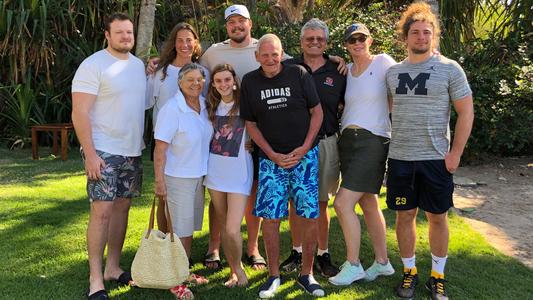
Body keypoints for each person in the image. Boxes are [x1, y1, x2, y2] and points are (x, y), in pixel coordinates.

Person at [385, 3, 474, 300]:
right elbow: (390, 108)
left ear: (434, 36)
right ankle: (409, 272)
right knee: (404, 215)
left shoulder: (450, 69)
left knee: (437, 217)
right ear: (405, 36)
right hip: (400, 159)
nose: (421, 37)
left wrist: (456, 153)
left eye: (426, 32)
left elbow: (466, 112)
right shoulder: (394, 72)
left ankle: (437, 277)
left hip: (436, 159)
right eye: (415, 32)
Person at [241, 33, 325, 298]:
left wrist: (305, 147)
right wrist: (272, 154)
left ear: (282, 53)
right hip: (271, 162)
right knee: (271, 219)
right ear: (257, 56)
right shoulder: (250, 82)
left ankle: (306, 275)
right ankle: (273, 275)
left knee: (309, 216)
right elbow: (251, 124)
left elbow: (317, 112)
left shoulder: (298, 74)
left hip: (305, 159)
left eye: (274, 54)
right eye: (264, 54)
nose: (269, 59)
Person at [71, 13, 145, 300]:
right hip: (102, 150)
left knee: (122, 208)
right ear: (107, 35)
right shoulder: (93, 65)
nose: (126, 37)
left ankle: (113, 267)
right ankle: (95, 280)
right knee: (101, 212)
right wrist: (89, 153)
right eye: (120, 33)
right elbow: (79, 112)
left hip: (132, 150)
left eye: (129, 32)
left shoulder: (138, 66)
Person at [328, 23, 396, 286]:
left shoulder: (382, 62)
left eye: (361, 38)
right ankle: (383, 263)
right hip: (348, 141)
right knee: (368, 202)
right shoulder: (346, 71)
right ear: (345, 45)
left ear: (370, 39)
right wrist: (335, 59)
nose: (357, 43)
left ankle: (353, 264)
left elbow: (398, 93)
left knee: (343, 204)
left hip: (372, 140)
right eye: (351, 40)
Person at [280, 18, 346, 278]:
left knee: (320, 203)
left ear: (326, 43)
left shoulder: (338, 70)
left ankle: (322, 254)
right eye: (310, 39)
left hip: (327, 142)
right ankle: (296, 251)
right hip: (295, 146)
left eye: (320, 39)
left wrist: (339, 59)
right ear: (301, 42)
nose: (315, 42)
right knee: (296, 202)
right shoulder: (288, 68)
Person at [153, 63, 213, 298]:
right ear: (179, 82)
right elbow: (160, 149)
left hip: (198, 175)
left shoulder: (205, 105)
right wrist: (159, 181)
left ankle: (183, 271)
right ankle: (176, 280)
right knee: (179, 230)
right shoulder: (172, 109)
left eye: (199, 79)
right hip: (177, 178)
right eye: (190, 79)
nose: (195, 83)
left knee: (188, 228)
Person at [145, 22, 209, 234]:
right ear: (173, 43)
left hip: (191, 146)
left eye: (189, 40)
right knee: (164, 199)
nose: (184, 45)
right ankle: (165, 245)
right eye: (179, 40)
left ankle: (179, 246)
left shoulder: (202, 73)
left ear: (195, 43)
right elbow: (147, 103)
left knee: (187, 202)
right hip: (164, 143)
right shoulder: (159, 72)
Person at [204, 64, 253, 287]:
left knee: (233, 227)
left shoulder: (246, 104)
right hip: (215, 171)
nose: (223, 84)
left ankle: (240, 270)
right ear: (213, 85)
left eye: (227, 80)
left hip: (239, 171)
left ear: (234, 81)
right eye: (218, 81)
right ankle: (233, 271)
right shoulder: (209, 107)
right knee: (223, 225)